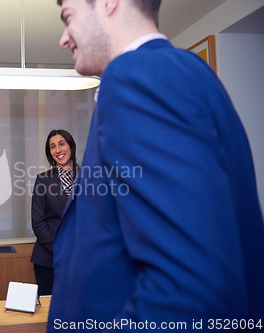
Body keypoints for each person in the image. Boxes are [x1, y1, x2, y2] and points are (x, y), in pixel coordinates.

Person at [48, 0, 264, 330]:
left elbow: (190, 288)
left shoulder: (137, 77)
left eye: (68, 18)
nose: (64, 39)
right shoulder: (188, 72)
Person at [30, 129, 78, 296]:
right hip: (49, 259)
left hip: (83, 258)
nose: (58, 150)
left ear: (71, 146)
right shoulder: (43, 179)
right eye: (52, 146)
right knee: (49, 314)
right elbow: (38, 222)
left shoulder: (89, 177)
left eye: (61, 144)